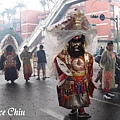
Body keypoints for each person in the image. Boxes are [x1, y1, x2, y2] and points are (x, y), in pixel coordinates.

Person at [45, 9, 97, 118]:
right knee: (72, 95)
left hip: (82, 79)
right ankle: (74, 110)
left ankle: (81, 111)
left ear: (82, 43)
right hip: (71, 78)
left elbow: (89, 65)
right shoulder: (65, 54)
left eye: (79, 42)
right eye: (74, 42)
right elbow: (58, 61)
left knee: (81, 94)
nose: (77, 45)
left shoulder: (86, 55)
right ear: (69, 43)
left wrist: (88, 75)